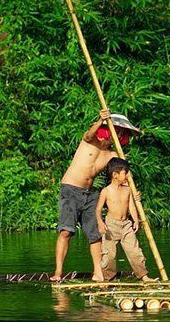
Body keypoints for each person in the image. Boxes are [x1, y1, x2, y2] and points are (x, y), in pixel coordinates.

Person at [50, 108, 141, 282]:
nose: (118, 134)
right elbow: (87, 135)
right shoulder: (90, 142)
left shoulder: (113, 155)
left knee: (96, 234)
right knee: (66, 232)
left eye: (121, 133)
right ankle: (58, 272)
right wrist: (101, 120)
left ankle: (98, 273)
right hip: (70, 189)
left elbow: (122, 177)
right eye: (116, 130)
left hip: (90, 195)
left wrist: (134, 194)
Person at [95, 157, 157, 282]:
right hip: (111, 226)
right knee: (109, 254)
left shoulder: (128, 190)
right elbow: (98, 210)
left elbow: (131, 206)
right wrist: (100, 222)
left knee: (134, 251)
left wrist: (135, 220)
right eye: (125, 173)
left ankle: (143, 276)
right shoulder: (106, 191)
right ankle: (108, 278)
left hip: (126, 225)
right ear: (115, 175)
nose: (127, 175)